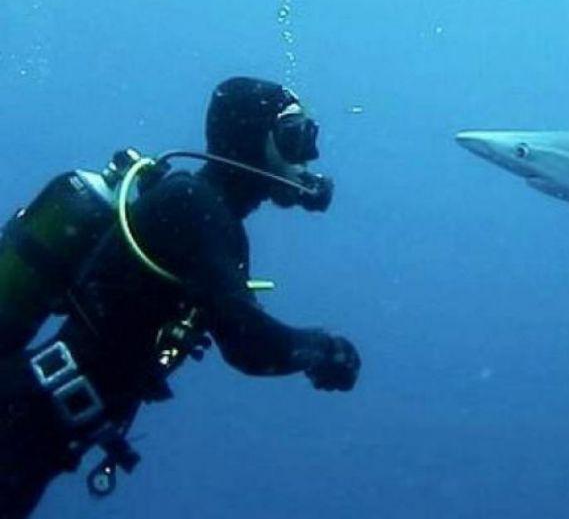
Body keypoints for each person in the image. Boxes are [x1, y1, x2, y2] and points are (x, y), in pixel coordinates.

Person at [0, 77, 361, 518]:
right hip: (24, 420)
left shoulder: (199, 207)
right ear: (250, 138)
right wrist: (327, 350)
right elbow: (249, 344)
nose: (310, 156)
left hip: (36, 422)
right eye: (294, 137)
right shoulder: (196, 207)